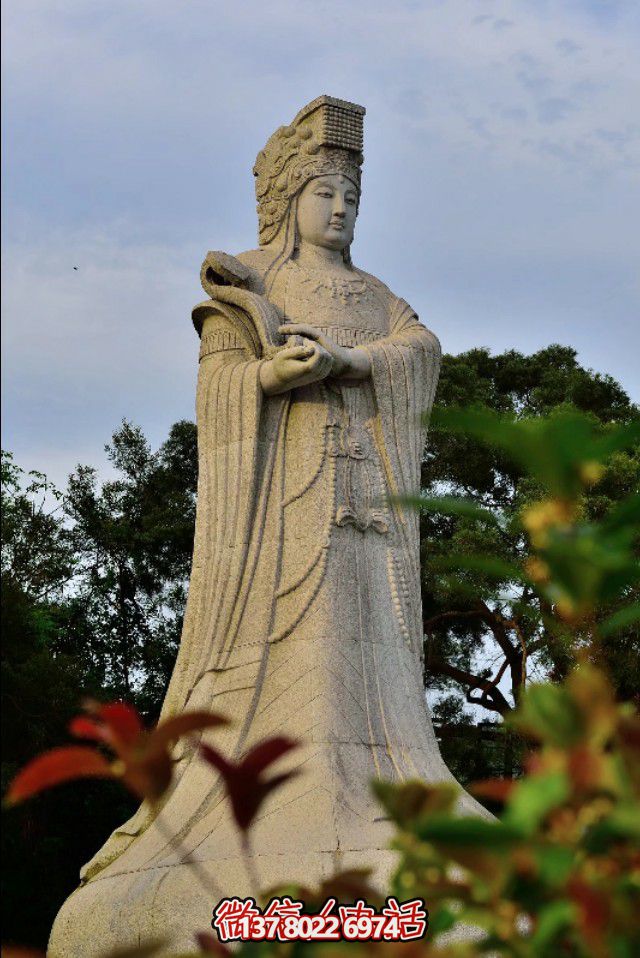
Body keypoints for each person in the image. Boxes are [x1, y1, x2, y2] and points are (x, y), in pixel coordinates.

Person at [49, 96, 487, 957]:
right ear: (289, 199)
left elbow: (421, 350)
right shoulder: (249, 281)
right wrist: (270, 377)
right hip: (277, 520)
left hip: (365, 514)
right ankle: (261, 816)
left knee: (369, 654)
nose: (340, 210)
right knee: (294, 653)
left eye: (352, 198)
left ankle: (383, 801)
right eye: (325, 192)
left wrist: (353, 359)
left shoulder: (379, 297)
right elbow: (216, 389)